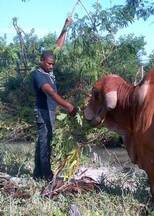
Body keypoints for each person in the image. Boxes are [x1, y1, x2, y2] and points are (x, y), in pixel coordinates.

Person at [32, 17, 76, 181]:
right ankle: (46, 175)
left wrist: (65, 28)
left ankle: (38, 174)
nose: (51, 66)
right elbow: (50, 93)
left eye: (53, 64)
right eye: (49, 64)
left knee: (44, 141)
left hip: (49, 111)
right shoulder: (38, 75)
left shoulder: (48, 71)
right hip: (42, 112)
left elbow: (57, 47)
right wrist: (68, 106)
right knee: (44, 142)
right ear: (42, 61)